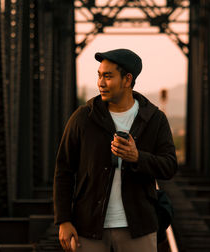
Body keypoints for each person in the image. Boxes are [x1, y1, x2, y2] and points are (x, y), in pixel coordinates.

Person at [53, 48, 178, 252]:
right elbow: (64, 170)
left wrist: (138, 157)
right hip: (89, 227)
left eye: (108, 76)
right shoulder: (83, 118)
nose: (100, 83)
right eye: (99, 75)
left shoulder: (154, 119)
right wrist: (64, 220)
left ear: (127, 80)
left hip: (139, 227)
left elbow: (170, 166)